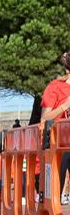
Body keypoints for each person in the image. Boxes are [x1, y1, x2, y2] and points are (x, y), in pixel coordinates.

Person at [40, 51, 70, 204]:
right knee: (55, 189)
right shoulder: (55, 87)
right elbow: (45, 118)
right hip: (60, 143)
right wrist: (65, 105)